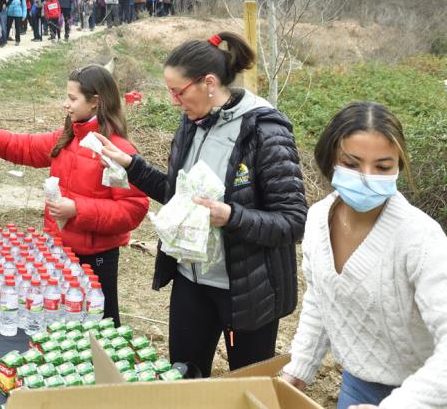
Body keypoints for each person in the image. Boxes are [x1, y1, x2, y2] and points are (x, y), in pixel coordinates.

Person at [96, 31, 307, 377]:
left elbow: (293, 221)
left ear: (208, 83)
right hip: (190, 279)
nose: (174, 101)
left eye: (178, 92)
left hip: (245, 290)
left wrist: (231, 216)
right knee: (186, 378)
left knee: (247, 385)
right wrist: (131, 165)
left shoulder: (265, 130)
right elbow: (178, 196)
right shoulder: (192, 124)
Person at [280, 102, 447, 409]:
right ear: (332, 158)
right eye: (353, 164)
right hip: (358, 386)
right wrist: (300, 366)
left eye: (382, 167)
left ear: (398, 165)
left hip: (427, 392)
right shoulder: (318, 219)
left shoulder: (421, 239)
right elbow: (321, 298)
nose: (367, 177)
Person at [0, 65, 148, 324]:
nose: (65, 104)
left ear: (95, 102)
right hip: (59, 251)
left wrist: (77, 210)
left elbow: (132, 210)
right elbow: (21, 146)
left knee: (99, 323)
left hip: (96, 260)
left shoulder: (117, 151)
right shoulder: (67, 139)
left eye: (72, 98)